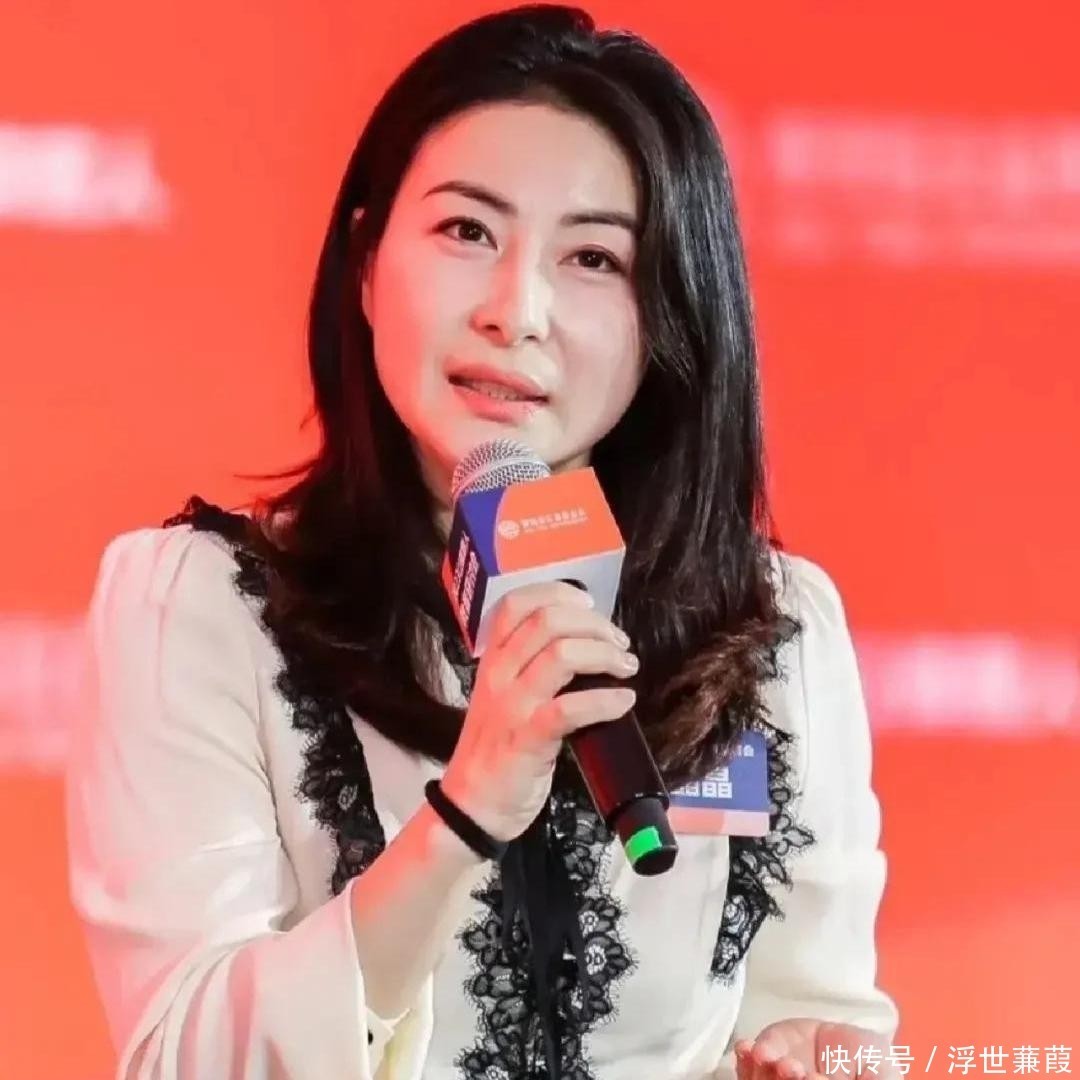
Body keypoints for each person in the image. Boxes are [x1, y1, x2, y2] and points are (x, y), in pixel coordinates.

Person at [65, 5, 900, 1079]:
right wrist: (462, 816)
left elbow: (820, 1016)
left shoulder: (773, 629)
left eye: (593, 256)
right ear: (367, 265)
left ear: (671, 318)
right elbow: (184, 1058)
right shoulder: (196, 610)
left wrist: (823, 1058)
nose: (518, 310)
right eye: (468, 232)